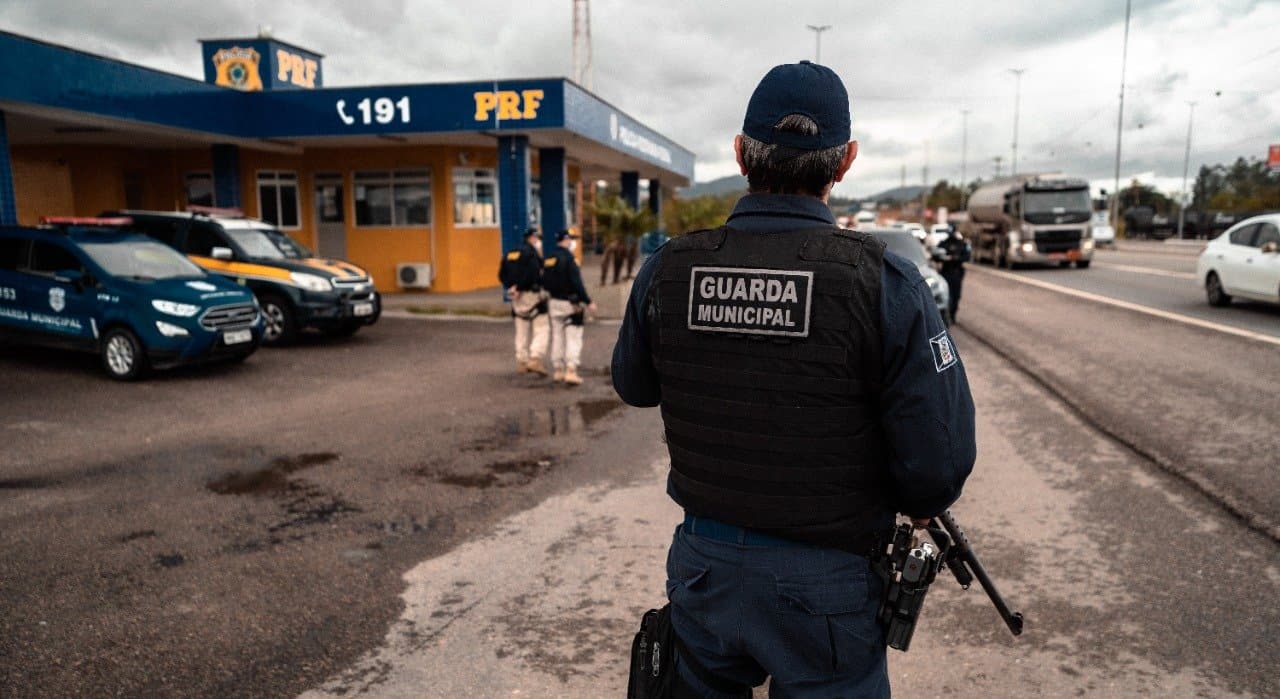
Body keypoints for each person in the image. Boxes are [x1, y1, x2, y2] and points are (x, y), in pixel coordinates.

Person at [610, 61, 976, 697]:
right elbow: (937, 468)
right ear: (846, 162)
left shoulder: (668, 269)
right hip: (827, 581)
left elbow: (633, 385)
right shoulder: (885, 286)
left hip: (704, 571)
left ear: (740, 154)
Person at [542, 230, 596, 385]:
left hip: (554, 302)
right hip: (570, 303)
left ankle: (558, 370)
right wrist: (588, 301)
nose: (573, 242)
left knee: (557, 336)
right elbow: (577, 283)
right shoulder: (569, 259)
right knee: (573, 336)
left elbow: (543, 281)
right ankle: (571, 370)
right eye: (571, 239)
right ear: (565, 240)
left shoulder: (549, 259)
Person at [497, 227, 548, 376]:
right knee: (542, 326)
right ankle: (535, 358)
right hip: (530, 294)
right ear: (532, 238)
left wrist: (512, 287)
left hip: (515, 296)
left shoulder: (511, 253)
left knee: (521, 327)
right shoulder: (531, 253)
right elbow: (533, 273)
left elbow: (501, 274)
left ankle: (522, 361)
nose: (538, 241)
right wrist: (520, 287)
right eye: (537, 238)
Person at [936, 226, 971, 322]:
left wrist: (955, 258)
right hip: (945, 273)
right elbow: (936, 255)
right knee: (945, 295)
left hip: (956, 274)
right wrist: (944, 257)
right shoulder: (944, 243)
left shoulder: (961, 243)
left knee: (956, 296)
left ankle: (952, 314)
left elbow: (967, 256)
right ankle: (945, 316)